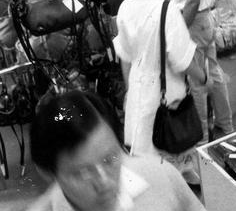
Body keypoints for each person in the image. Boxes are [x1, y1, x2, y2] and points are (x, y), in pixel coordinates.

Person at [114, 0, 207, 180]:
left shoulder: (124, 7)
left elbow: (124, 56)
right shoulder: (167, 10)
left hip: (137, 90)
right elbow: (182, 61)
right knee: (170, 157)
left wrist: (129, 89)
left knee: (146, 162)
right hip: (165, 94)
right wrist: (203, 77)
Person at [27, 90, 205, 211]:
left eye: (110, 158)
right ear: (47, 172)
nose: (105, 183)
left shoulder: (158, 175)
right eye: (82, 172)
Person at [160, 0, 234, 139]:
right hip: (202, 21)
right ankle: (225, 124)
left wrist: (179, 32)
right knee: (213, 73)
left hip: (194, 22)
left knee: (198, 80)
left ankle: (202, 135)